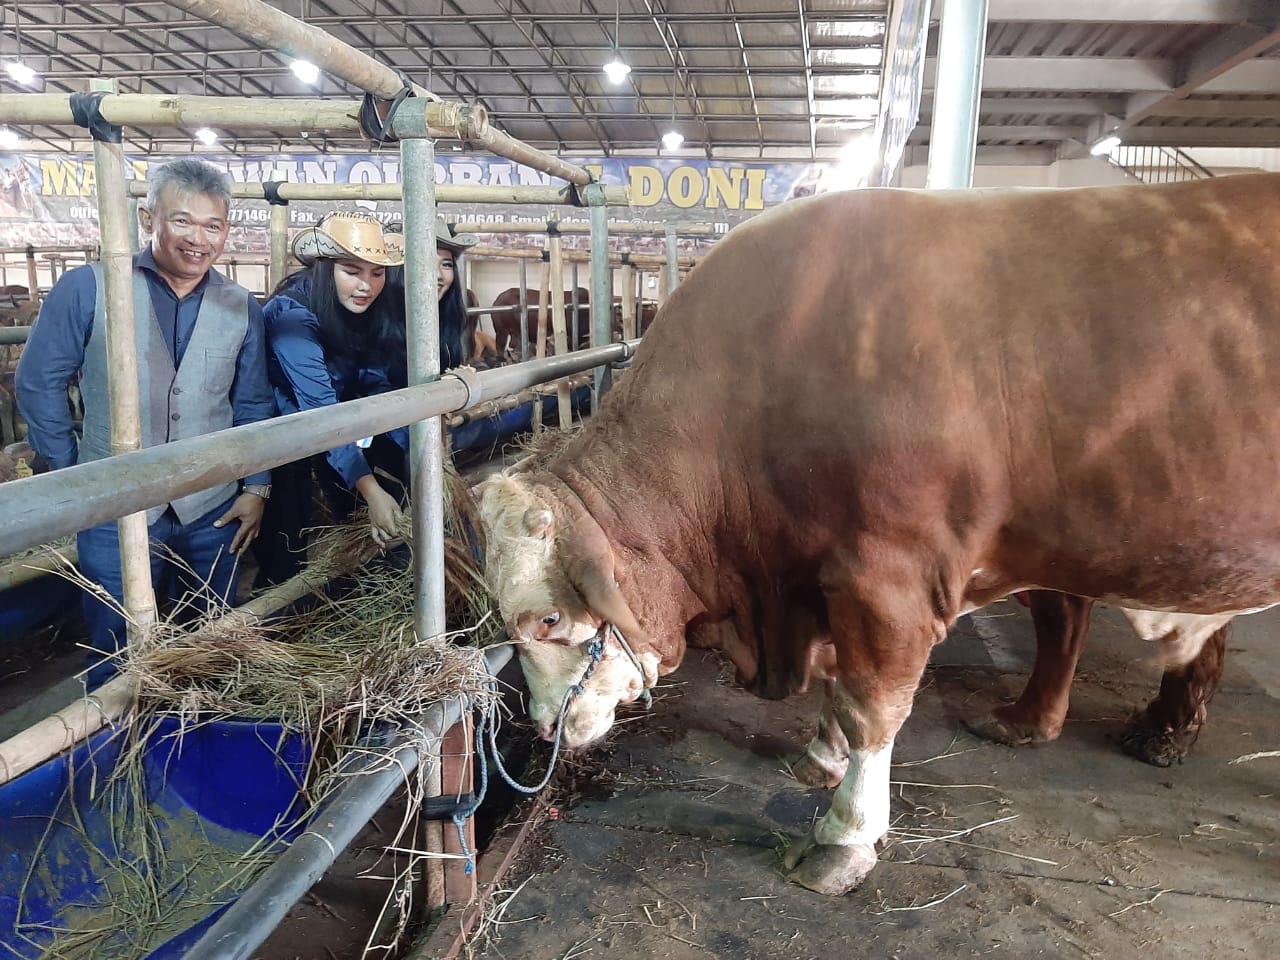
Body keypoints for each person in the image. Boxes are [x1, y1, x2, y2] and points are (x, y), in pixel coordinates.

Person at [15, 158, 275, 687]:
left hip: (212, 506)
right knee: (117, 642)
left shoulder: (241, 305)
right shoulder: (87, 288)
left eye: (213, 225)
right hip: (113, 506)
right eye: (182, 221)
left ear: (226, 230)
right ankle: (120, 731)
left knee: (213, 638)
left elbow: (251, 401)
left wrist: (257, 486)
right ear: (147, 218)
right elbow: (38, 382)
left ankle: (197, 724)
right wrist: (71, 474)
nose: (198, 239)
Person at [252, 212, 407, 587]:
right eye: (351, 271)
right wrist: (370, 489)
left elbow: (375, 381)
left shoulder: (365, 311)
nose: (366, 286)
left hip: (335, 421)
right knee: (287, 529)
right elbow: (319, 410)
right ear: (324, 268)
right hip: (282, 430)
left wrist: (410, 448)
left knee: (374, 480)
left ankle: (356, 583)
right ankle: (280, 603)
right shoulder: (291, 316)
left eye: (377, 273)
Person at [383, 216, 488, 389]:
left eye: (446, 265)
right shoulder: (374, 325)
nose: (438, 275)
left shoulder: (449, 322)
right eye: (424, 263)